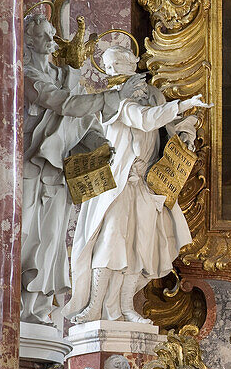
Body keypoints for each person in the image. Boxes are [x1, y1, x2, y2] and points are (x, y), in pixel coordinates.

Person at [65, 47, 210, 324]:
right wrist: (181, 104)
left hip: (146, 184)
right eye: (108, 66)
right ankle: (95, 307)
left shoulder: (153, 95)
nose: (112, 70)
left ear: (132, 63)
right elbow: (144, 119)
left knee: (142, 247)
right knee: (110, 243)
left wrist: (185, 134)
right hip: (117, 184)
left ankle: (125, 307)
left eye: (116, 63)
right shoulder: (112, 100)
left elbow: (173, 125)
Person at [21, 11, 114, 324]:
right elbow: (63, 104)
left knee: (51, 241)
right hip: (30, 169)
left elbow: (81, 116)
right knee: (28, 239)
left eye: (51, 33)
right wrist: (112, 97)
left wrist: (100, 144)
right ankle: (18, 308)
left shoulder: (63, 75)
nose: (50, 40)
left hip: (59, 172)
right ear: (27, 40)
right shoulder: (26, 73)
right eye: (42, 35)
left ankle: (38, 309)